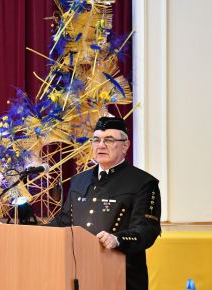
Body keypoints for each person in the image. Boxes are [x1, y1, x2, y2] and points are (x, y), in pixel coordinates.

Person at [49, 116, 161, 290]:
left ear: (125, 146)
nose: (101, 145)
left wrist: (117, 239)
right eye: (96, 140)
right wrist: (28, 230)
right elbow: (63, 222)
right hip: (78, 274)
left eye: (109, 140)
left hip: (122, 276)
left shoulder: (143, 183)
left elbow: (147, 229)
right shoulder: (79, 180)